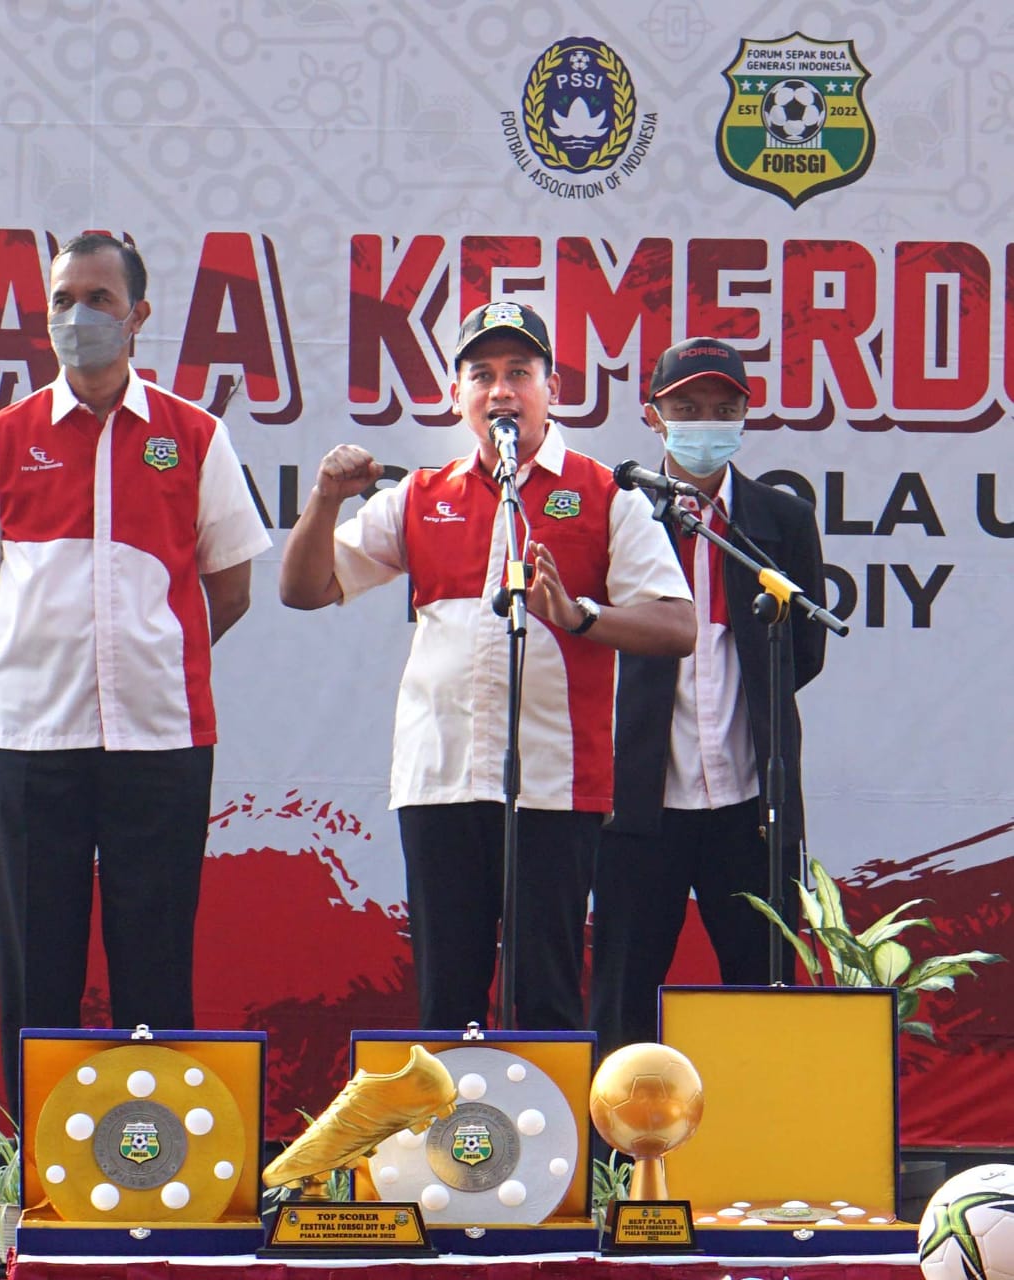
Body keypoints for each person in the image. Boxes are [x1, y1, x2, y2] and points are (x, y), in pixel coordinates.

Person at [279, 301, 695, 1032]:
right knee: (446, 994)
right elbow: (303, 589)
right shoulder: (421, 496)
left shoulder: (605, 495)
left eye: (518, 373)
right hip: (439, 780)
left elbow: (675, 623)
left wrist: (578, 616)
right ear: (457, 397)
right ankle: (456, 1146)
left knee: (545, 994)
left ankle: (549, 1147)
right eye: (482, 375)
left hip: (553, 785)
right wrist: (322, 501)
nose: (500, 390)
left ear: (552, 388)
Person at [0, 233, 271, 1111]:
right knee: (35, 965)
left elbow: (226, 588)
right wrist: (54, 664)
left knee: (154, 962)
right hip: (29, 739)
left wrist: (143, 658)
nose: (77, 318)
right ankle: (38, 1172)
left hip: (158, 739)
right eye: (62, 300)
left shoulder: (194, 437)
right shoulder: (2, 440)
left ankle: (159, 1165)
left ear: (138, 318)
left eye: (99, 300)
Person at [590, 336, 827, 1059]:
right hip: (635, 809)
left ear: (745, 415)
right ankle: (611, 1166)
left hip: (751, 806)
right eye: (686, 408)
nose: (705, 422)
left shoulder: (777, 519)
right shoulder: (616, 509)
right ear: (653, 417)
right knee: (622, 995)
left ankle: (756, 1155)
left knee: (760, 993)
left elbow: (802, 653)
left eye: (722, 408)